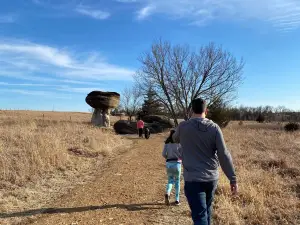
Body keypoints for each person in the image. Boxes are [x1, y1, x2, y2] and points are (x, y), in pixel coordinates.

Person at [173, 98, 238, 225]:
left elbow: (175, 138)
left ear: (191, 110)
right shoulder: (214, 128)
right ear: (206, 111)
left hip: (193, 179)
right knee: (206, 211)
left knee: (200, 216)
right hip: (211, 179)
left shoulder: (183, 126)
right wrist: (232, 178)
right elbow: (224, 154)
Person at [162, 129, 182, 206]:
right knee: (177, 181)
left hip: (169, 164)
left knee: (170, 180)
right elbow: (182, 154)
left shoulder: (167, 143)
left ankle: (168, 192)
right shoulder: (179, 143)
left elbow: (163, 154)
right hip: (177, 164)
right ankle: (177, 199)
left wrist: (168, 157)